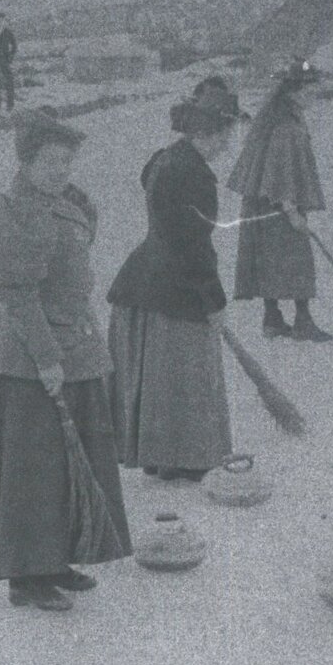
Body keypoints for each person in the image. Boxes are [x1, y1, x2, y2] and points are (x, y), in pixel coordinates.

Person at [0, 111, 132, 611]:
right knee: (30, 471)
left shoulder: (69, 206)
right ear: (26, 162)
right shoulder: (9, 213)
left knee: (63, 464)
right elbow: (18, 295)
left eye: (67, 160)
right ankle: (26, 576)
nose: (60, 169)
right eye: (49, 161)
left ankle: (55, 559)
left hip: (74, 348)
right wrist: (47, 358)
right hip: (27, 360)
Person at [107, 82, 244, 482]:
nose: (227, 143)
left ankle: (161, 455)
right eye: (226, 134)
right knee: (183, 371)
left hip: (145, 279)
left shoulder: (166, 160)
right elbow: (192, 245)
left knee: (158, 376)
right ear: (208, 133)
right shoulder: (194, 174)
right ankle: (186, 458)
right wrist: (213, 299)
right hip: (174, 288)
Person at [228, 60, 331, 342]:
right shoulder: (286, 125)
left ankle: (272, 319)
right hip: (277, 203)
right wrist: (292, 211)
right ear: (296, 90)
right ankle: (303, 321)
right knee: (297, 258)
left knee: (269, 259)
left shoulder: (279, 114)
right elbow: (281, 170)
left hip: (262, 203)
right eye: (312, 88)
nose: (315, 94)